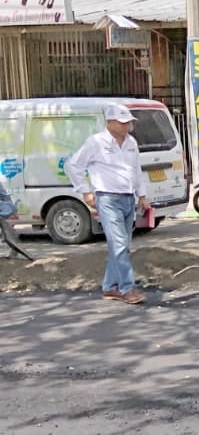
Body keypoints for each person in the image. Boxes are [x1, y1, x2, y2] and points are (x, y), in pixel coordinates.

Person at [64, 103, 149, 305]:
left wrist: (142, 195)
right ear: (109, 122)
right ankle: (127, 288)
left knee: (121, 245)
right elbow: (73, 165)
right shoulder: (96, 142)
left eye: (128, 122)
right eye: (122, 122)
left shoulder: (131, 142)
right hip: (107, 198)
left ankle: (110, 286)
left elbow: (136, 170)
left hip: (128, 198)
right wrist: (85, 191)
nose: (127, 126)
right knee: (119, 244)